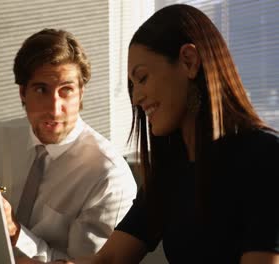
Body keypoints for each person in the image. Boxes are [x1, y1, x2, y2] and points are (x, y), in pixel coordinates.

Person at [47, 4, 279, 264]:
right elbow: (109, 259)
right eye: (132, 86)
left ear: (189, 62)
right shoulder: (171, 169)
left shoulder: (266, 157)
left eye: (142, 78)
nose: (136, 98)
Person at [0, 28, 137, 262]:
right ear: (22, 93)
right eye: (41, 90)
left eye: (66, 90)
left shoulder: (107, 177)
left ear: (81, 93)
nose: (54, 109)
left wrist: (15, 233)